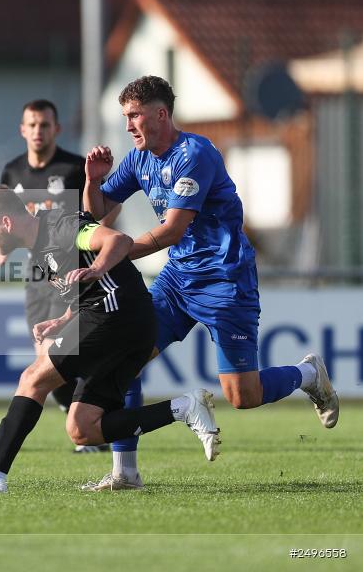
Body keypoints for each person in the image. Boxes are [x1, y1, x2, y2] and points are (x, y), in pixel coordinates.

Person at [82, 75, 338, 490]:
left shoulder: (194, 154)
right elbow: (96, 215)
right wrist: (93, 181)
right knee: (123, 361)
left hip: (225, 280)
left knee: (243, 396)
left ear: (160, 114)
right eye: (125, 116)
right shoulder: (138, 158)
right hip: (177, 281)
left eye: (135, 116)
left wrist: (113, 255)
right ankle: (125, 473)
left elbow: (171, 232)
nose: (128, 125)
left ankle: (308, 376)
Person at [0, 186, 220, 494]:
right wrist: (63, 319)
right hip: (127, 325)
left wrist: (96, 267)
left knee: (32, 379)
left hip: (115, 318)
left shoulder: (61, 227)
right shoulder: (40, 251)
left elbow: (117, 240)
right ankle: (184, 407)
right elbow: (86, 291)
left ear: (6, 223)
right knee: (83, 429)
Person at [0, 99, 119, 453]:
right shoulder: (11, 172)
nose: (39, 131)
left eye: (45, 125)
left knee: (65, 355)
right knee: (45, 358)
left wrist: (96, 249)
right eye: (32, 125)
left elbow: (105, 210)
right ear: (23, 129)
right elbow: (2, 216)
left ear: (57, 129)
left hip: (75, 277)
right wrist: (2, 247)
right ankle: (81, 420)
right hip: (38, 278)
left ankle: (91, 420)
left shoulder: (72, 169)